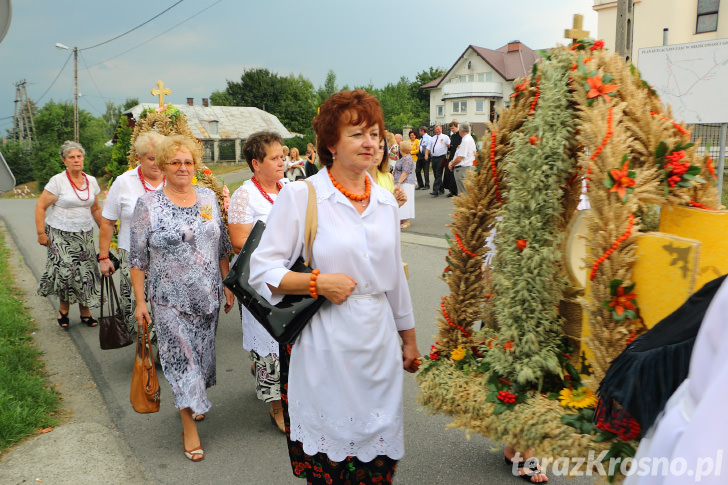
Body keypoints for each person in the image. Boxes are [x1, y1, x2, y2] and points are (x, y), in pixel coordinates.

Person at [249, 89, 421, 484]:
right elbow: (262, 270)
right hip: (324, 342)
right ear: (331, 143)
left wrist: (408, 340)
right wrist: (317, 282)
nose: (371, 143)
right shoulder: (302, 195)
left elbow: (394, 278)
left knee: (377, 458)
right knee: (331, 462)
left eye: (376, 134)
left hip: (377, 343)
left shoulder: (385, 201)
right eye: (358, 134)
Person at [129, 135, 234, 462]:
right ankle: (188, 424)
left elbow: (220, 244)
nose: (182, 168)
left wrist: (227, 283)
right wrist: (140, 302)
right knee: (180, 360)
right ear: (162, 166)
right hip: (168, 299)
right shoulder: (148, 205)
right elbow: (137, 259)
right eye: (175, 162)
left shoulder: (206, 198)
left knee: (200, 359)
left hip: (207, 295)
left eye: (188, 162)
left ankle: (194, 397)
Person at [227, 130, 288, 433]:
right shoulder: (244, 195)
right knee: (268, 340)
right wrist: (282, 241)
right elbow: (239, 241)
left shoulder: (289, 188)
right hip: (260, 282)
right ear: (256, 163)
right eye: (275, 158)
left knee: (291, 335)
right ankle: (275, 405)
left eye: (282, 156)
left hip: (291, 277)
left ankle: (293, 396)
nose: (282, 162)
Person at [98, 132, 166, 338]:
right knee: (139, 306)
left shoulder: (174, 177)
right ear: (139, 158)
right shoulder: (124, 181)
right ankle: (143, 350)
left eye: (160, 157)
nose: (156, 164)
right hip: (134, 257)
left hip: (168, 257)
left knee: (166, 306)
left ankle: (167, 351)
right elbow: (108, 222)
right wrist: (103, 256)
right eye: (150, 158)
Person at [36, 141, 103, 329]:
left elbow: (96, 209)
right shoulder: (58, 181)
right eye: (71, 157)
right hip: (59, 233)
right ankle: (63, 309)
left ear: (83, 158)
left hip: (84, 233)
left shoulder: (91, 181)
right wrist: (41, 233)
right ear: (64, 160)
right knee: (66, 272)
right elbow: (40, 207)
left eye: (79, 156)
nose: (76, 160)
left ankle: (85, 311)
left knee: (86, 272)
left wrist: (108, 232)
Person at [448, 121, 477, 196]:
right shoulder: (467, 139)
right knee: (466, 193)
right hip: (466, 168)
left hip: (463, 169)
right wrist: (452, 162)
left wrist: (452, 164)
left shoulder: (466, 141)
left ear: (461, 130)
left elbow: (460, 158)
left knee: (463, 195)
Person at [394, 140, 416, 230]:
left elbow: (405, 172)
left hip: (405, 182)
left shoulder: (407, 159)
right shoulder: (404, 158)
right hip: (400, 181)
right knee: (399, 199)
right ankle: (401, 219)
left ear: (402, 149)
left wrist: (399, 183)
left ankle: (406, 221)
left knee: (405, 200)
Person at [425, 124, 450, 197]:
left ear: (441, 129)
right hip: (434, 157)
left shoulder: (445, 137)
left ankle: (435, 190)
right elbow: (428, 147)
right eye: (436, 130)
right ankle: (441, 189)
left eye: (438, 129)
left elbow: (449, 145)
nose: (437, 131)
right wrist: (426, 154)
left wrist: (448, 145)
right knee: (436, 173)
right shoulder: (432, 138)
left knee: (439, 173)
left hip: (441, 157)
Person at [443, 121, 461, 197]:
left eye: (453, 128)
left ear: (457, 127)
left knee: (454, 174)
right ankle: (451, 189)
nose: (452, 130)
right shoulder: (452, 136)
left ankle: (454, 191)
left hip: (457, 156)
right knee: (448, 173)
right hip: (451, 155)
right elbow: (453, 146)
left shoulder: (460, 135)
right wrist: (449, 147)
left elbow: (459, 147)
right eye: (451, 128)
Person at [415, 126, 432, 191]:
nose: (419, 132)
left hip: (425, 154)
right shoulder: (421, 139)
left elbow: (429, 146)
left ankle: (427, 185)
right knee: (417, 170)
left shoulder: (429, 138)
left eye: (420, 131)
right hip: (420, 155)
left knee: (425, 170)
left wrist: (427, 154)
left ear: (422, 131)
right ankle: (420, 184)